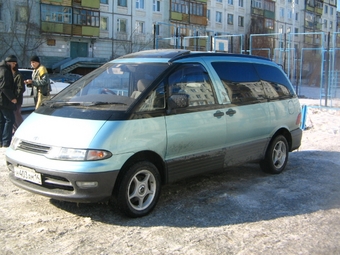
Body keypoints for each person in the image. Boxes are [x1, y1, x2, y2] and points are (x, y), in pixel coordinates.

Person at [0, 56, 17, 147]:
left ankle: (1, 141)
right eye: (13, 63)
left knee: (2, 120)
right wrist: (12, 98)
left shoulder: (1, 69)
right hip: (4, 100)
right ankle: (6, 141)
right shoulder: (5, 71)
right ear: (9, 62)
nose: (14, 65)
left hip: (1, 100)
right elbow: (4, 87)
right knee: (10, 119)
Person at [6, 55, 25, 132]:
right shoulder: (9, 74)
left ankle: (22, 129)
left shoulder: (18, 76)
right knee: (11, 117)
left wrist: (15, 97)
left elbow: (21, 88)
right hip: (11, 99)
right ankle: (15, 130)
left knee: (16, 115)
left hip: (17, 100)